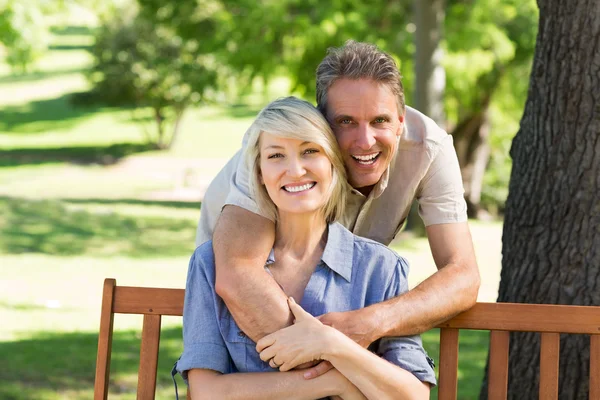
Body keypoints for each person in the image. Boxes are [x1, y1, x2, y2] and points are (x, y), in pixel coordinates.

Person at [197, 40, 480, 379]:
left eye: (380, 120)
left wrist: (366, 324)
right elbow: (238, 273)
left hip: (344, 317)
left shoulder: (429, 149)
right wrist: (339, 367)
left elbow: (463, 275)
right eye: (346, 121)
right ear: (322, 124)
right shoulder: (274, 152)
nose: (365, 141)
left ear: (400, 122)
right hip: (248, 318)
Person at [176, 97, 435, 399]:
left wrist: (332, 344)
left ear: (333, 165)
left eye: (310, 151)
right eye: (276, 156)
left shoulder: (381, 268)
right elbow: (206, 393)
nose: (295, 170)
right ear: (259, 173)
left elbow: (414, 395)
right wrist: (334, 382)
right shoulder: (210, 262)